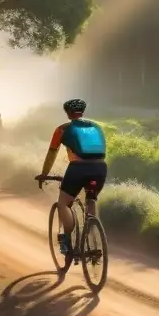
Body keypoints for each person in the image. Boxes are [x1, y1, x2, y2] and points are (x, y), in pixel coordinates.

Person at [35, 98, 107, 256]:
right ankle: (93, 238)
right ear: (83, 111)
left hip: (78, 169)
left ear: (67, 113)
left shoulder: (62, 129)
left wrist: (44, 174)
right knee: (91, 199)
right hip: (100, 168)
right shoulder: (96, 127)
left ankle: (67, 241)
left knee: (63, 204)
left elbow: (52, 153)